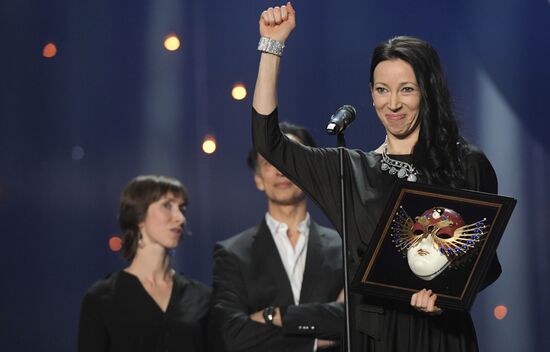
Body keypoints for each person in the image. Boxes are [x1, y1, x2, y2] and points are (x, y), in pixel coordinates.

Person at [250, 3, 502, 351]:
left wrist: (444, 298)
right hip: (374, 338)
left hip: (441, 336)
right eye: (382, 90)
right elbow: (269, 142)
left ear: (428, 91)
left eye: (407, 89)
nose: (393, 104)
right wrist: (272, 46)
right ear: (371, 94)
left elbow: (486, 264)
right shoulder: (348, 171)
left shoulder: (466, 163)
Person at [211, 122, 345, 351]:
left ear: (310, 170)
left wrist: (274, 315)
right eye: (270, 161)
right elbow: (233, 336)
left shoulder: (344, 247)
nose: (281, 169)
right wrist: (314, 341)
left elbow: (349, 322)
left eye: (290, 158)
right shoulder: (233, 253)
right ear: (258, 179)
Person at [78, 175, 211, 352]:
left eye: (182, 208)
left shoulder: (201, 297)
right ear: (139, 216)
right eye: (167, 206)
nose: (180, 218)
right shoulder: (102, 298)